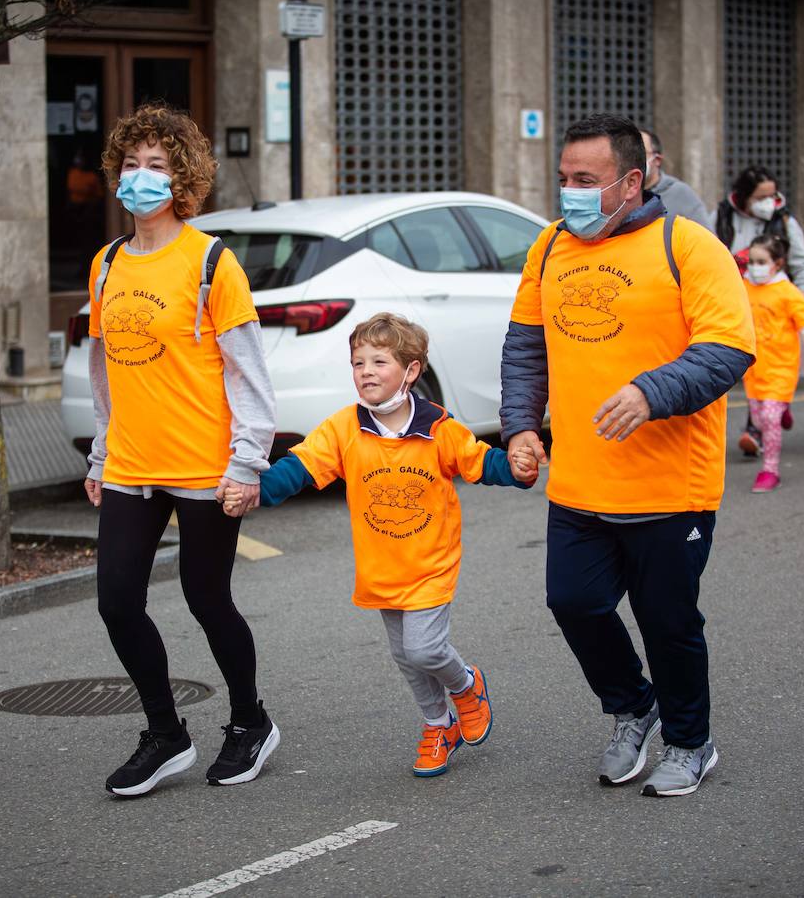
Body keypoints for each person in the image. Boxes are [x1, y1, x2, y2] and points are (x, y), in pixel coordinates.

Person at [501, 113, 756, 797]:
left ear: (631, 181)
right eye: (563, 179)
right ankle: (632, 705)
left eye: (585, 180)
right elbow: (526, 345)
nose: (569, 193)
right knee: (574, 602)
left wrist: (652, 391)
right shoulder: (549, 247)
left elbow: (728, 349)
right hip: (580, 482)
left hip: (672, 485)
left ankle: (690, 740)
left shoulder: (689, 245)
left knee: (669, 622)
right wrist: (520, 424)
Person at [227, 313, 536, 777]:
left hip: (431, 562)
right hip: (382, 567)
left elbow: (480, 463)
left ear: (411, 371)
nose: (366, 371)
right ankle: (439, 725)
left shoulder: (438, 427)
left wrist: (517, 469)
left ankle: (467, 685)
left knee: (426, 650)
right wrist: (256, 489)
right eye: (357, 362)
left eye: (378, 361)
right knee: (404, 656)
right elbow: (300, 469)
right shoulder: (343, 428)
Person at [84, 104, 279, 796]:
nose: (141, 177)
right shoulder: (106, 264)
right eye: (131, 164)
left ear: (183, 180)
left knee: (206, 596)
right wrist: (101, 452)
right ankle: (166, 735)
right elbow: (104, 367)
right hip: (133, 466)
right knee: (116, 602)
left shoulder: (212, 263)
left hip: (204, 467)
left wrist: (247, 464)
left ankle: (250, 722)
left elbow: (251, 377)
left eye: (157, 166)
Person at [741, 234, 804, 492]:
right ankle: (782, 410)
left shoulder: (788, 293)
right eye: (752, 261)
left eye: (762, 261)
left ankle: (769, 470)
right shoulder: (742, 287)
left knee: (769, 420)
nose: (755, 267)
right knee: (760, 421)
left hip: (781, 369)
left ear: (778, 263)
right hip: (753, 370)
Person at [710, 164, 804, 294]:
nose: (768, 202)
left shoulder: (784, 222)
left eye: (772, 196)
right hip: (731, 296)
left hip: (774, 302)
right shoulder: (722, 219)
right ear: (745, 197)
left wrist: (802, 298)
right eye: (761, 198)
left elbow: (802, 266)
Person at [640, 129, 709, 225]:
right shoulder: (621, 194)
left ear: (657, 160)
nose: (633, 159)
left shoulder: (681, 193)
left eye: (641, 153)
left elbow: (706, 236)